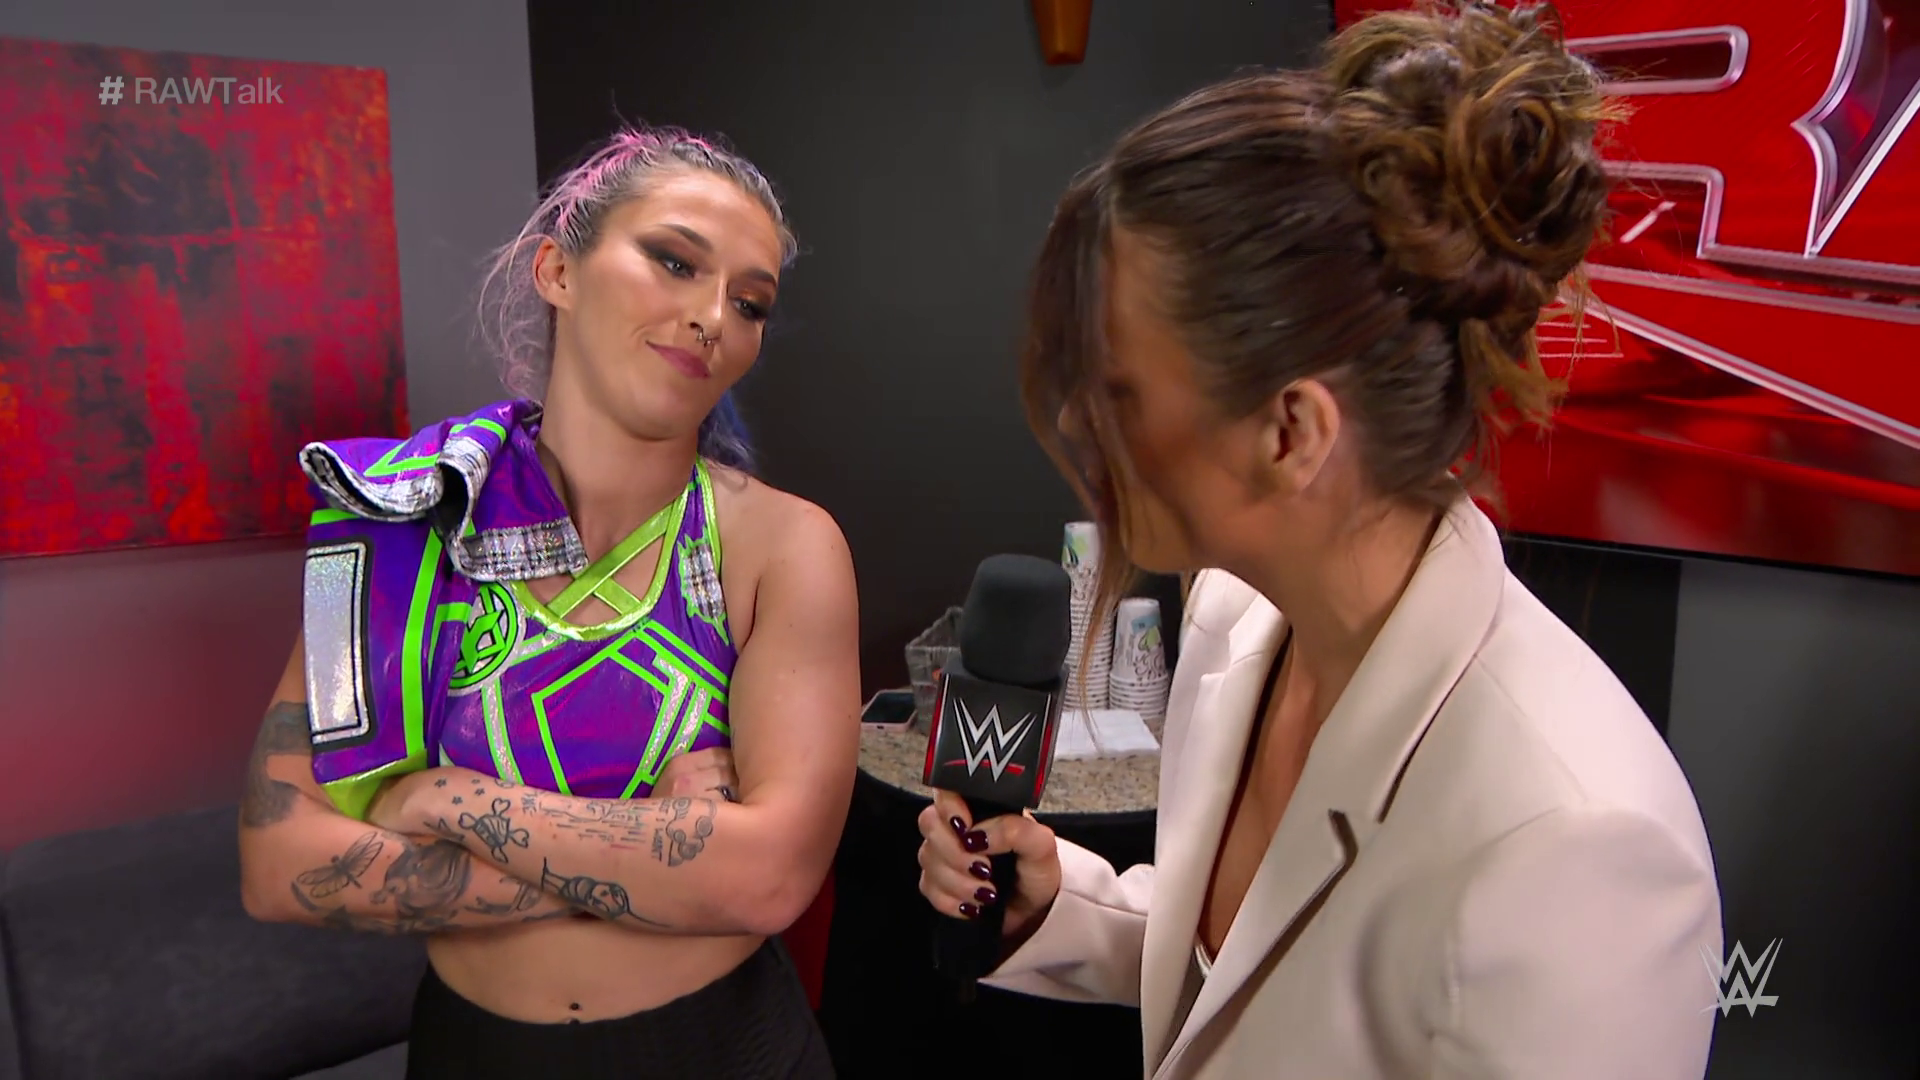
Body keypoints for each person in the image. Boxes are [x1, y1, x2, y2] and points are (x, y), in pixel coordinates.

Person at [915, 4, 1722, 1078]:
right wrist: (1067, 907)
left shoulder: (1577, 846)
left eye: (1118, 390)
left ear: (1292, 433)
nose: (1074, 421)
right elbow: (1262, 968)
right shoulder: (1238, 616)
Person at [238, 125, 858, 1079]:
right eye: (675, 261)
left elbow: (768, 879)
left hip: (724, 1050)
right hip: (474, 1054)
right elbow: (279, 864)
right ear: (558, 270)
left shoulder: (786, 546)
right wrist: (661, 858)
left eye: (750, 302)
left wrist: (450, 800)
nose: (712, 318)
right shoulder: (394, 518)